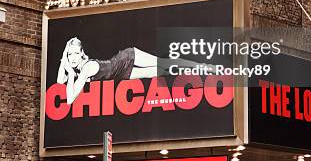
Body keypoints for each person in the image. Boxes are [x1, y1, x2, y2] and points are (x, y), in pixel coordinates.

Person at [57, 37, 202, 104]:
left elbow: (70, 99)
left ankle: (198, 65)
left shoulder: (86, 68)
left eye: (76, 53)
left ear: (82, 53)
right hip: (121, 74)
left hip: (125, 58)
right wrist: (64, 58)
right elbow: (59, 81)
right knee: (158, 71)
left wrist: (69, 72)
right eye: (70, 54)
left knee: (162, 62)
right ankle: (187, 72)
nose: (73, 57)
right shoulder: (76, 67)